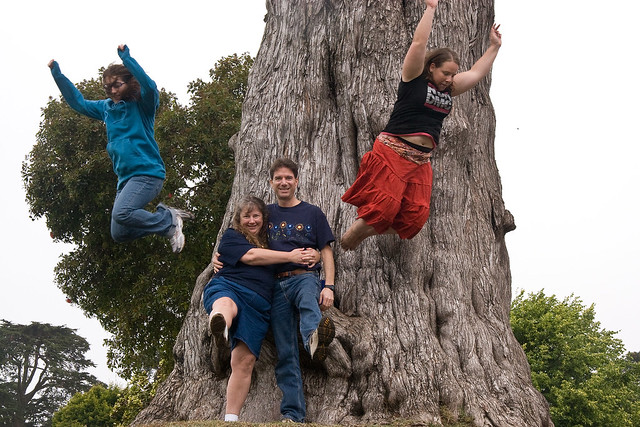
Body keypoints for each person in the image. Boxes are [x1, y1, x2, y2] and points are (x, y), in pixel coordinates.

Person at [340, 0, 502, 250]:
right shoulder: (414, 79)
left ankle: (371, 228)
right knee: (385, 207)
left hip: (421, 160)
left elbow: (477, 73)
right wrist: (430, 9)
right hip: (393, 150)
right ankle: (354, 234)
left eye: (453, 75)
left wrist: (494, 47)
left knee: (415, 218)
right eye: (445, 73)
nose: (449, 79)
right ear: (432, 66)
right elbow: (419, 44)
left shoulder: (450, 90)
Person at [212, 158, 336, 423]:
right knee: (285, 352)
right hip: (274, 286)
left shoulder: (312, 212)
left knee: (307, 304)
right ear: (271, 182)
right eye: (278, 178)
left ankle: (315, 338)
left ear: (297, 181)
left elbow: (325, 250)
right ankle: (293, 414)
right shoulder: (264, 214)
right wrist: (216, 258)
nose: (283, 182)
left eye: (288, 178)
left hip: (303, 277)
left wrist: (329, 286)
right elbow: (245, 239)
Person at [48, 45, 193, 253]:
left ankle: (169, 222)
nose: (113, 91)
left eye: (117, 85)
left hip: (147, 173)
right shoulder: (106, 109)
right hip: (125, 180)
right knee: (119, 232)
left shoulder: (143, 105)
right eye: (108, 88)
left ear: (129, 82)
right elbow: (78, 103)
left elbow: (150, 87)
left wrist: (128, 60)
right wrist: (58, 75)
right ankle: (166, 217)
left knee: (122, 212)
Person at [203, 195, 318, 422]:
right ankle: (220, 326)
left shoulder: (271, 241)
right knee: (226, 304)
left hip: (259, 303)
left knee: (244, 361)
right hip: (231, 286)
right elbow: (252, 256)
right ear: (238, 219)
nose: (252, 220)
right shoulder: (232, 237)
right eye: (247, 216)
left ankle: (231, 419)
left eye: (256, 216)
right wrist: (290, 256)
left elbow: (298, 246)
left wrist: (313, 253)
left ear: (264, 219)